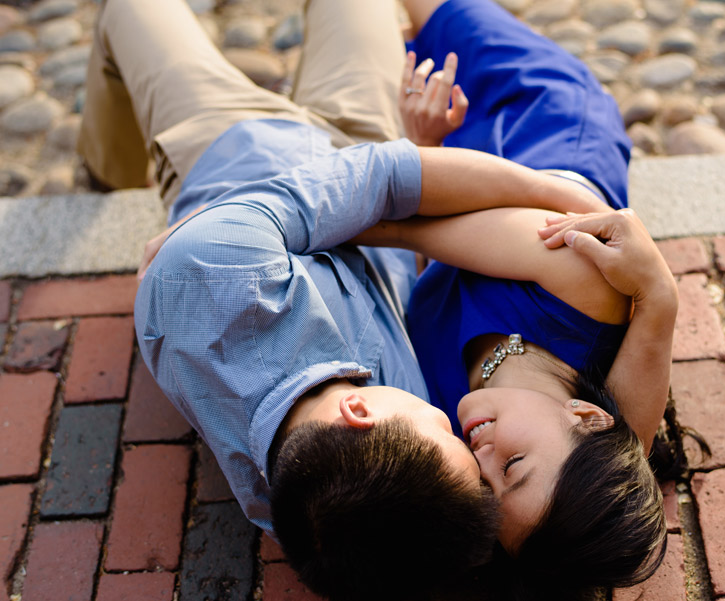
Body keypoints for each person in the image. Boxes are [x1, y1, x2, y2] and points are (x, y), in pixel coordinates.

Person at [76, 0, 613, 599]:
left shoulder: (209, 276)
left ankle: (105, 168)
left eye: (442, 432)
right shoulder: (357, 502)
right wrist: (557, 193)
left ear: (359, 414)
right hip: (363, 140)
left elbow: (383, 180)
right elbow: (588, 487)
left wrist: (178, 265)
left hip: (233, 145)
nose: (454, 418)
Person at [352, 0, 683, 598]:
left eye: (485, 490)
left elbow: (435, 272)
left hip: (447, 163)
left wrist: (421, 143)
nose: (479, 459)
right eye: (514, 467)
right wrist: (262, 225)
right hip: (540, 122)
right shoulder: (583, 287)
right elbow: (403, 229)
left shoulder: (449, 409)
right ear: (584, 417)